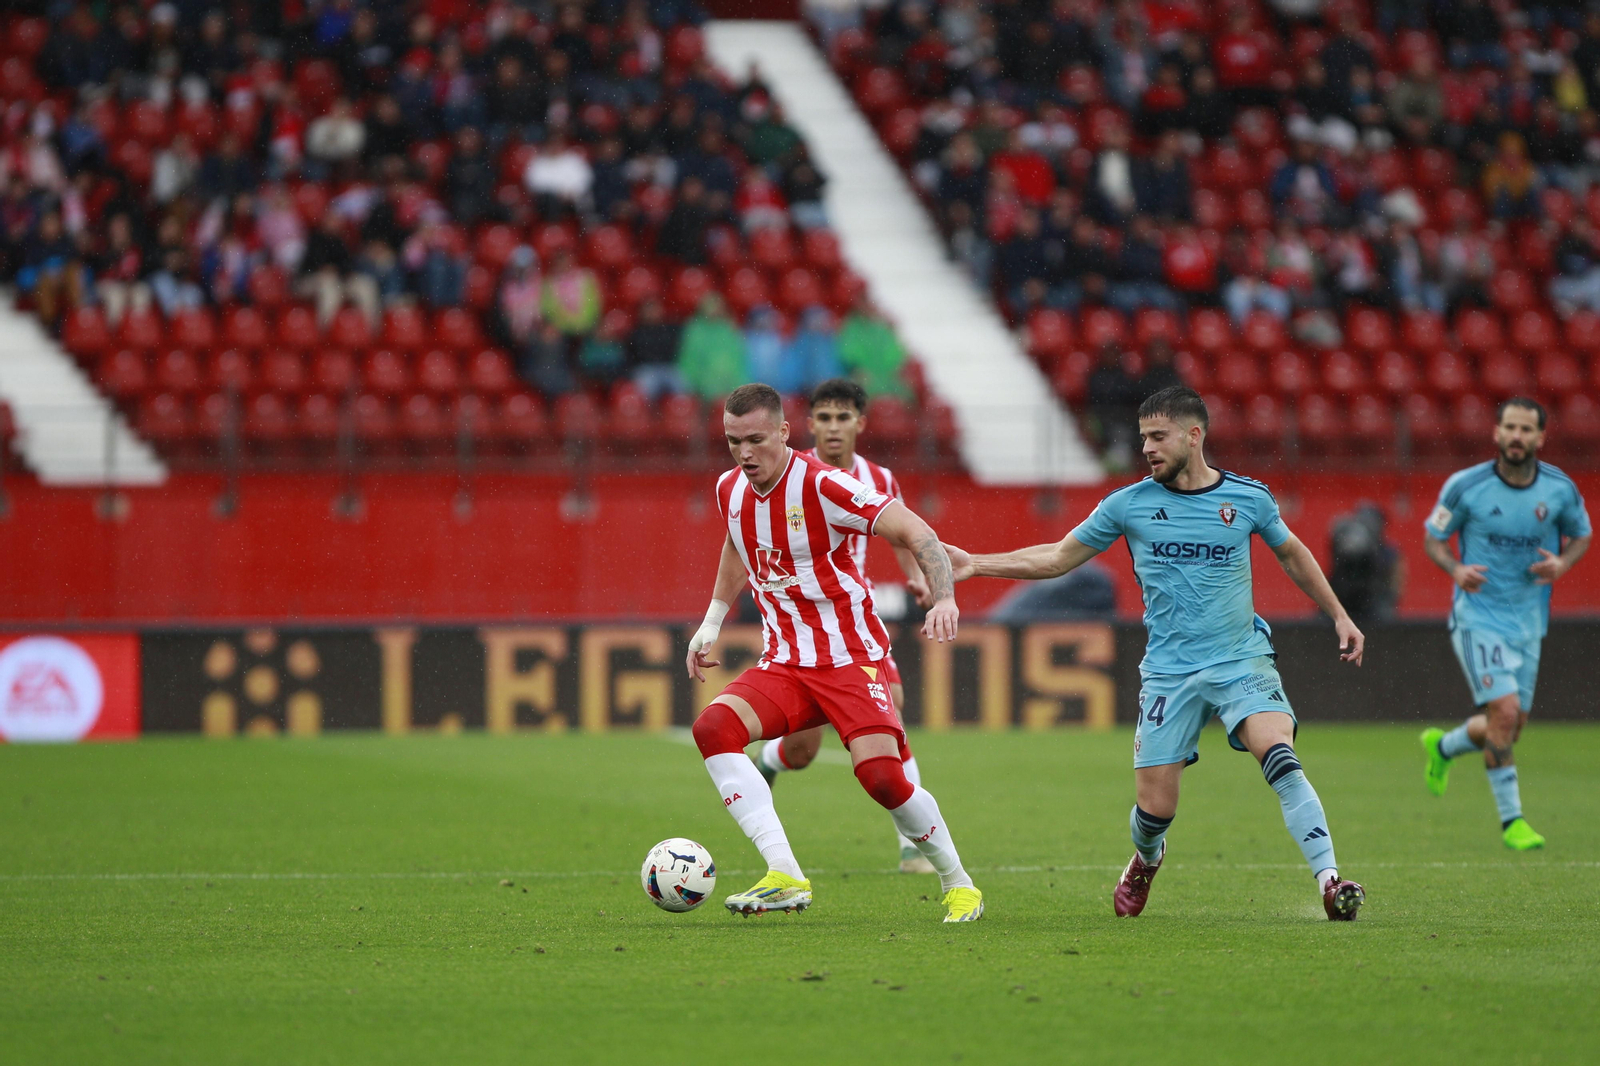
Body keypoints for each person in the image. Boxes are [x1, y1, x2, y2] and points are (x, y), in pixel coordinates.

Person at [943, 386, 1368, 921]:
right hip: (1169, 671)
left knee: (1278, 753)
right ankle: (1146, 859)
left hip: (1241, 659)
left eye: (1158, 436)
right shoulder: (1129, 504)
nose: (1146, 447)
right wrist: (978, 564)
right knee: (1155, 810)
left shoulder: (1248, 499)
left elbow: (1293, 554)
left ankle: (1330, 882)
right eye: (1143, 436)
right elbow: (1056, 558)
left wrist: (1339, 614)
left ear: (1194, 436)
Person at [684, 383, 984, 922]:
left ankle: (958, 883)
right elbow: (736, 542)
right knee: (713, 729)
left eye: (756, 440)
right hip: (785, 663)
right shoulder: (729, 488)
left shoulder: (825, 485)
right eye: (733, 442)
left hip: (850, 658)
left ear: (783, 432)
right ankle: (785, 875)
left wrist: (944, 596)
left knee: (883, 779)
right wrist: (712, 621)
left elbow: (916, 530)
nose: (745, 453)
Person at [750, 378, 940, 875]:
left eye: (843, 418)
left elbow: (900, 534)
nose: (834, 428)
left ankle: (912, 847)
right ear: (809, 424)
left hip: (853, 623)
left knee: (891, 713)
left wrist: (917, 578)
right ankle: (771, 760)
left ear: (860, 423)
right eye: (825, 418)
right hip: (798, 624)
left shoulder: (881, 478)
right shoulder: (791, 474)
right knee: (803, 749)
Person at [1419, 398, 1591, 851]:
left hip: (1530, 621)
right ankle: (1513, 822)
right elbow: (1434, 539)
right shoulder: (1466, 486)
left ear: (1540, 438)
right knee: (1506, 712)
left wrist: (1563, 563)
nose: (1517, 436)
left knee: (1507, 728)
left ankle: (1443, 748)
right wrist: (1456, 570)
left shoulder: (1559, 489)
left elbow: (1583, 535)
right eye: (1510, 428)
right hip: (1478, 617)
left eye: (1526, 430)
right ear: (1496, 432)